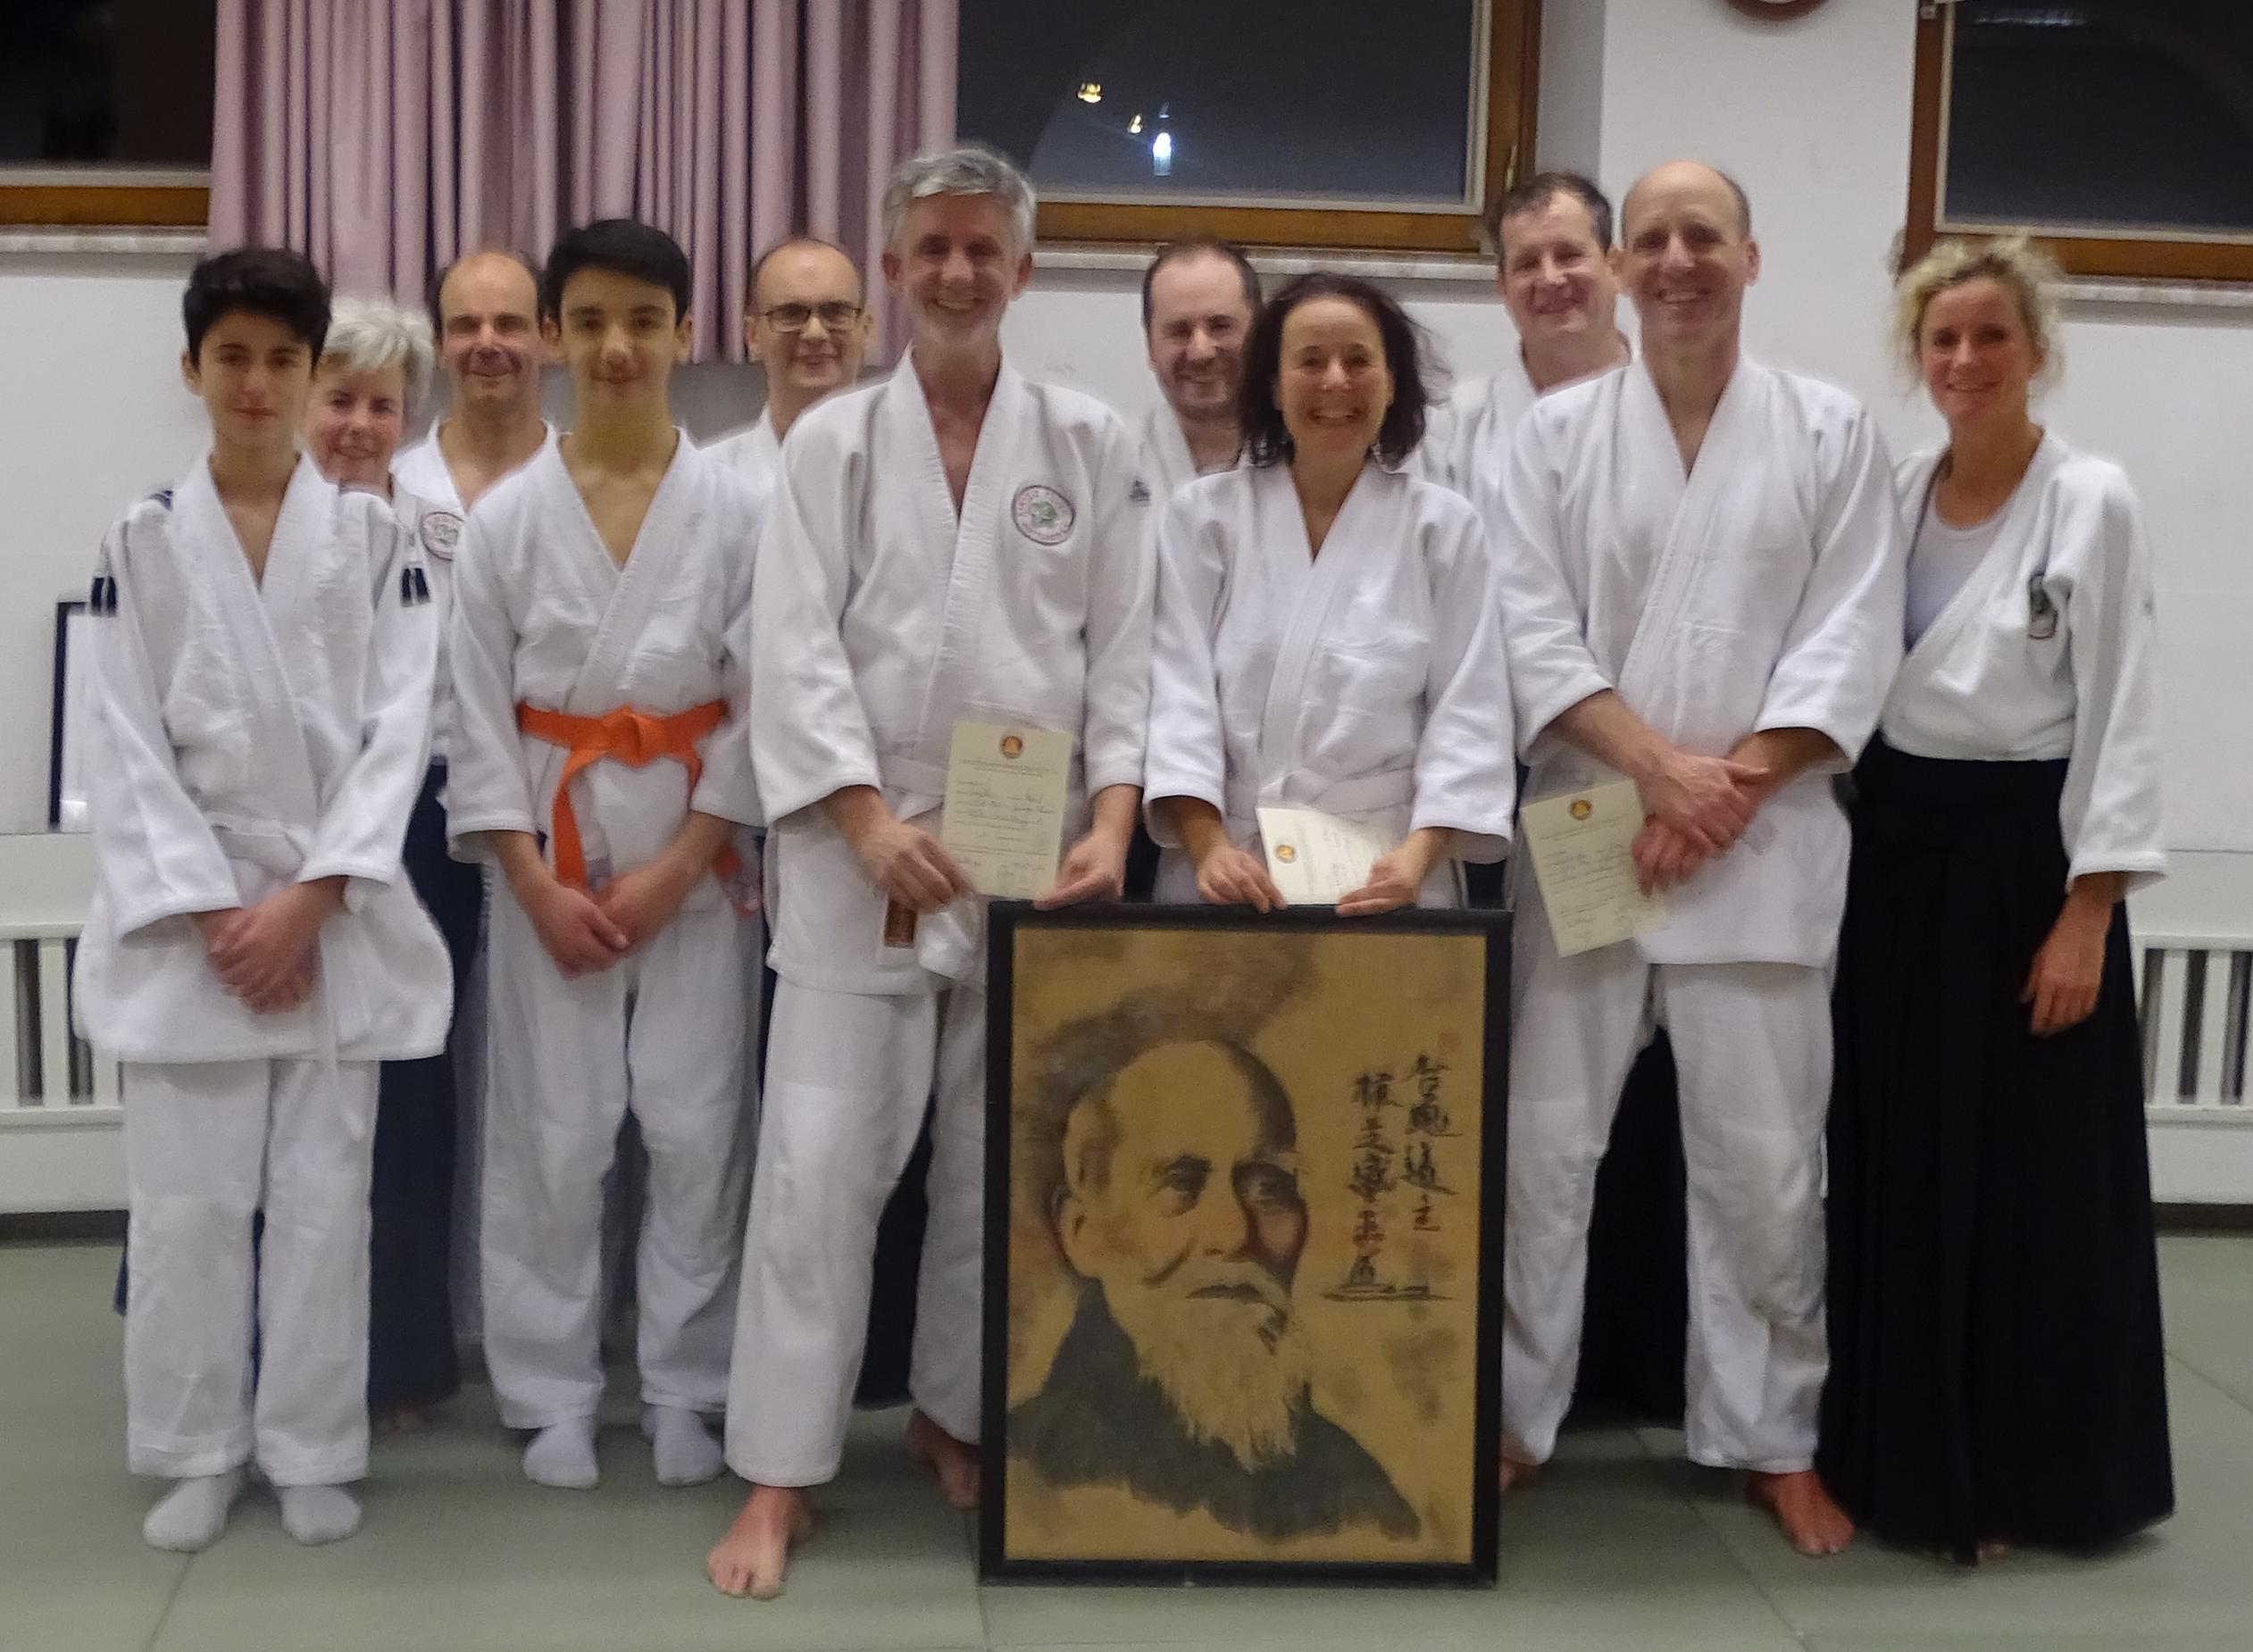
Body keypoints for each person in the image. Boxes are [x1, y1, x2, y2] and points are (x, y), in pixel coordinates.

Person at [707, 143, 1155, 1601]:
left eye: (983, 248)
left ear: (1021, 269)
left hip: (1032, 845)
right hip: (863, 848)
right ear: (895, 269)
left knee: (997, 1158)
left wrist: (1114, 819)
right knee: (820, 1164)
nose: (958, 271)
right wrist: (858, 821)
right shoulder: (831, 445)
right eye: (933, 248)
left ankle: (955, 1418)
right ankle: (779, 1471)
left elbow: (1127, 650)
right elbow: (791, 652)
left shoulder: (1088, 439)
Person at [1489, 161, 1903, 1556]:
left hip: (1760, 839)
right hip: (1589, 831)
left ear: (1749, 257)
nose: (1674, 261)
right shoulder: (1548, 440)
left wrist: (1720, 790)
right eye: (1650, 239)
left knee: (1764, 1165)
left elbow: (1851, 633)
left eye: (1701, 237)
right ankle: (1509, 1416)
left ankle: (1770, 1437)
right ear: (1617, 267)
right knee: (1542, 1147)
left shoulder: (1830, 431)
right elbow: (1526, 630)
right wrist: (1657, 772)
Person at [76, 248, 449, 1551]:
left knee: (321, 1203)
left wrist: (312, 898)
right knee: (186, 1207)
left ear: (308, 373)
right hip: (196, 923)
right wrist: (207, 905)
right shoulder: (138, 538)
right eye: (231, 356)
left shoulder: (379, 539)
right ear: (192, 369)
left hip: (328, 911)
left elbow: (401, 731)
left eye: (282, 359)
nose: (256, 382)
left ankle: (308, 1445)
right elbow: (121, 740)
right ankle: (193, 1446)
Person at [1817, 236, 2173, 1563]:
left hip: (2031, 865)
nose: (1964, 360)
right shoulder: (1897, 492)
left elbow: (2122, 710)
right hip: (1898, 857)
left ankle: (2024, 1477)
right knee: (1898, 1160)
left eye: (1990, 337)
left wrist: (2088, 910)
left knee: (2031, 1185)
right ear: (1917, 355)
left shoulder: (2090, 498)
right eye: (1942, 339)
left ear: (2036, 351)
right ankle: (1896, 1457)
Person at [446, 219, 764, 1493]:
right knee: (552, 1132)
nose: (616, 347)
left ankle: (687, 1384)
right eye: (588, 323)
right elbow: (473, 718)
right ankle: (550, 1388)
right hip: (551, 869)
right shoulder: (504, 522)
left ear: (686, 333)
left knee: (697, 1126)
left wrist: (684, 862)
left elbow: (762, 703)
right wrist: (528, 880)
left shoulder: (738, 510)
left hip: (699, 869)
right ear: (553, 338)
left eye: (642, 321)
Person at [1145, 271, 1515, 914]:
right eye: (1310, 361)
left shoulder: (1443, 529)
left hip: (1385, 866)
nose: (1336, 381)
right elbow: (1179, 696)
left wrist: (1415, 859)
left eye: (1358, 361)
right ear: (1272, 384)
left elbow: (1469, 709)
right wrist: (1208, 848)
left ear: (1392, 381)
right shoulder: (1204, 519)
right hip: (1228, 867)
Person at [1011, 1033, 1417, 1540]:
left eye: (1269, 1188)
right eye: (1180, 1183)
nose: (1235, 1235)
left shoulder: (1355, 1494)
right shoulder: (1027, 1477)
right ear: (1083, 1233)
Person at [302, 296, 480, 1433]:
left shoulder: (437, 525)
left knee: (408, 1090)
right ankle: (263, 1347)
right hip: (278, 835)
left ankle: (398, 1360)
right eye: (339, 399)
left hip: (418, 827)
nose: (359, 425)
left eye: (382, 403)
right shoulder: (253, 516)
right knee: (284, 1089)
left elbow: (454, 687)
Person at [1417, 171, 1631, 497]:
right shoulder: (1451, 430)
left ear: (1614, 267)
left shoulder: (1674, 408)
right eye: (1527, 264)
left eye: (1568, 255)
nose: (1550, 278)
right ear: (1503, 288)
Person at [395, 249, 556, 517]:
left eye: (508, 325)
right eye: (466, 326)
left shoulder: (585, 489)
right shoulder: (395, 487)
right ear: (439, 345)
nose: (487, 344)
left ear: (547, 338)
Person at [707, 236, 875, 489]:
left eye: (835, 312)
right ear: (752, 335)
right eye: (791, 314)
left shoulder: (913, 474)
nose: (815, 333)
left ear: (866, 329)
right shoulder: (705, 484)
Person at [1138, 236, 1262, 495]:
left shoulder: (1307, 463)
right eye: (1179, 331)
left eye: (1220, 326)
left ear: (1262, 333)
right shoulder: (1112, 464)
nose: (1200, 353)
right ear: (1150, 345)